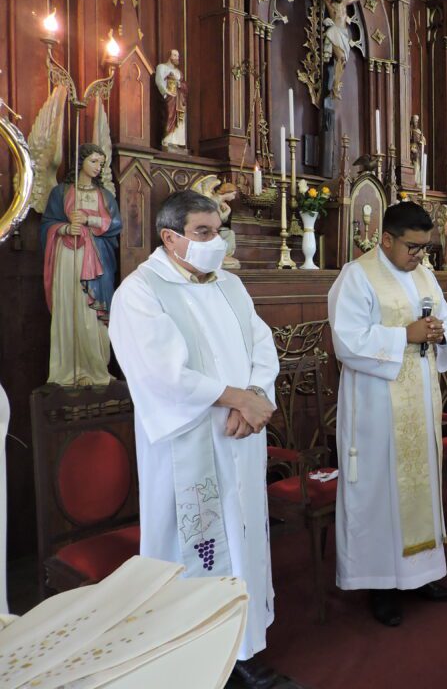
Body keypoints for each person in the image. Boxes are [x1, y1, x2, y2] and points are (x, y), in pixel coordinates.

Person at [109, 190, 280, 689]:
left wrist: (254, 396)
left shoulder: (230, 285)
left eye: (218, 232)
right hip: (189, 441)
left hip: (240, 438)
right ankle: (194, 653)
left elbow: (261, 343)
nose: (216, 244)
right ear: (171, 238)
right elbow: (159, 373)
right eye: (203, 234)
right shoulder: (140, 293)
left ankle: (243, 649)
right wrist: (236, 399)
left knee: (243, 539)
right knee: (196, 544)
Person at [328, 201, 447, 627]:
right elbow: (347, 341)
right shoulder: (357, 276)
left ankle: (421, 575)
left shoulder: (423, 274)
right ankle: (380, 585)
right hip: (375, 407)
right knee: (378, 490)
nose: (420, 257)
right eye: (412, 247)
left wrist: (440, 334)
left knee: (420, 484)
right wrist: (404, 335)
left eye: (425, 248)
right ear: (386, 239)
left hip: (419, 401)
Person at [41, 143, 122, 386]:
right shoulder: (61, 192)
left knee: (93, 313)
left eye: (101, 163)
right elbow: (47, 225)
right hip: (67, 258)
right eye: (93, 161)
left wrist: (90, 219)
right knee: (70, 308)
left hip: (97, 260)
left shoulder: (105, 195)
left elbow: (116, 225)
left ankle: (97, 370)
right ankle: (67, 372)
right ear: (80, 162)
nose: (98, 167)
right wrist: (65, 227)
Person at [297, 0, 371, 99]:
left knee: (343, 61)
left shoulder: (344, 2)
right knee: (341, 58)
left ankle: (336, 85)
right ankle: (336, 87)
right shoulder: (328, 0)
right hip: (334, 31)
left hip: (343, 33)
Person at [155, 49, 188, 151]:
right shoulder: (162, 67)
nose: (177, 58)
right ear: (169, 56)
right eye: (174, 55)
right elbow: (159, 80)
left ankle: (177, 142)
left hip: (179, 100)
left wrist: (179, 84)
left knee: (180, 119)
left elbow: (185, 86)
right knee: (169, 116)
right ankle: (167, 140)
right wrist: (166, 93)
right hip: (169, 98)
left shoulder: (179, 72)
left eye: (178, 56)